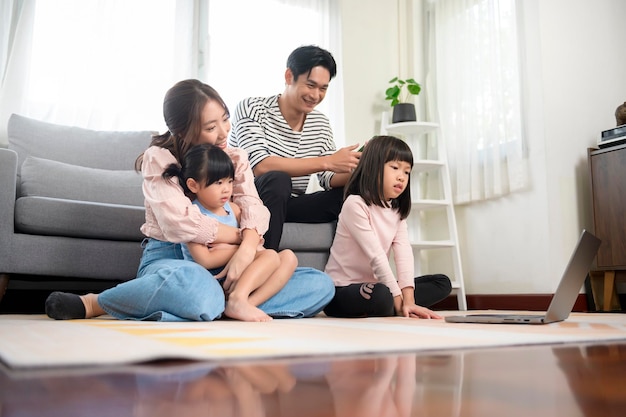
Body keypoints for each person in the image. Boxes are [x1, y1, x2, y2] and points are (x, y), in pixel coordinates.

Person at [44, 79, 334, 322]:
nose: (224, 132)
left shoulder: (235, 158)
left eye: (225, 118)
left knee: (319, 284)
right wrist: (240, 237)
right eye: (211, 127)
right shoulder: (159, 159)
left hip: (234, 263)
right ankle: (99, 302)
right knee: (195, 286)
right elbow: (179, 222)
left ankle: (231, 302)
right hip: (173, 259)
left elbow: (252, 206)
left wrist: (246, 249)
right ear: (182, 130)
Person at [229, 45, 362, 250]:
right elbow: (261, 166)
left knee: (352, 193)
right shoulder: (252, 108)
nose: (316, 95)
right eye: (310, 85)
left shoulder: (320, 123)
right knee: (278, 179)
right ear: (289, 76)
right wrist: (328, 161)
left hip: (287, 204)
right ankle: (264, 258)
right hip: (250, 199)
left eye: (323, 88)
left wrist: (362, 166)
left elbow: (328, 178)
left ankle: (351, 276)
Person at [163, 143, 298, 322]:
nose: (226, 189)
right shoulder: (194, 216)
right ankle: (237, 299)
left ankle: (244, 302)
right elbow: (205, 259)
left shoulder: (234, 209)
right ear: (194, 185)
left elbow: (256, 244)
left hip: (240, 273)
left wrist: (230, 248)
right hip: (215, 277)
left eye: (230, 181)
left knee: (289, 257)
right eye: (218, 183)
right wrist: (239, 248)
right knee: (271, 257)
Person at [323, 135, 452, 319]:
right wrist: (398, 299)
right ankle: (394, 306)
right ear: (373, 168)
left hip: (377, 285)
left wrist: (408, 299)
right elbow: (376, 256)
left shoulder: (396, 210)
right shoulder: (355, 204)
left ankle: (401, 306)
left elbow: (404, 253)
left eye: (407, 172)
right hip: (342, 290)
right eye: (395, 168)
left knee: (442, 282)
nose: (402, 176)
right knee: (382, 295)